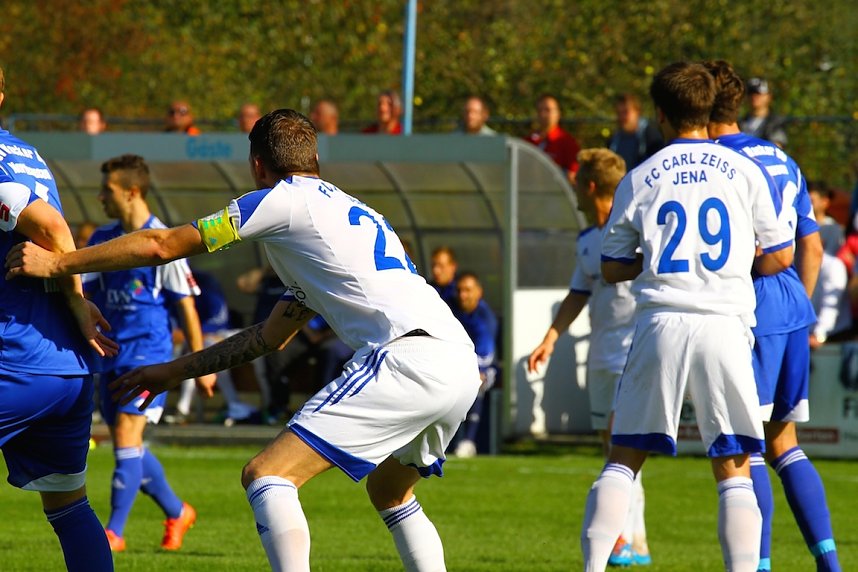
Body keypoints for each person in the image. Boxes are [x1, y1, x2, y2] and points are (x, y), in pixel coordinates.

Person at [8, 108, 480, 572]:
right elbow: (270, 337)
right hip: (458, 362)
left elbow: (161, 244)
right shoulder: (352, 215)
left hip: (405, 358)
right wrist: (175, 370)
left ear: (257, 164)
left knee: (267, 476)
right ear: (314, 157)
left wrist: (58, 264)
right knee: (391, 491)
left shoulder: (282, 200)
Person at [581, 61, 794, 572]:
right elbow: (782, 254)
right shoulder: (745, 171)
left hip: (660, 323)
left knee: (624, 457)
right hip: (725, 325)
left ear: (660, 114)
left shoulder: (640, 176)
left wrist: (647, 261)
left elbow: (611, 266)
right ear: (709, 106)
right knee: (734, 466)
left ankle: (591, 568)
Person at [705, 59, 839, 572]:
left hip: (750, 300)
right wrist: (799, 311)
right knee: (785, 441)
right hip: (791, 304)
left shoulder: (712, 161)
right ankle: (829, 564)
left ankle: (758, 565)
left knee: (744, 444)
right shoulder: (782, 157)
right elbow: (811, 246)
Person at [0, 66, 116, 572]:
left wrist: (75, 301)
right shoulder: (28, 153)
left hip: (15, 361)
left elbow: (50, 227)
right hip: (64, 368)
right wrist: (75, 296)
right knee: (70, 509)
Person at [83, 154, 216, 552]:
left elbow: (186, 308)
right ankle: (177, 511)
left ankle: (113, 533)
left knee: (125, 434)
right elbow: (82, 292)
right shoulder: (101, 239)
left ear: (132, 191)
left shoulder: (163, 240)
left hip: (149, 356)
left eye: (107, 190)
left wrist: (202, 363)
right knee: (130, 447)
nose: (100, 197)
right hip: (109, 355)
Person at [527, 148, 650, 567]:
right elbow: (578, 294)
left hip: (633, 353)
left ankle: (623, 541)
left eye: (577, 181)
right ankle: (636, 538)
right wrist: (550, 337)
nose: (574, 189)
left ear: (591, 186)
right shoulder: (586, 241)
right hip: (600, 355)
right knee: (611, 448)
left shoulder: (637, 230)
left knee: (622, 444)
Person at [172, 269, 260, 425]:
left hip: (223, 335)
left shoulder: (206, 284)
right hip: (187, 346)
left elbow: (216, 323)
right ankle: (184, 407)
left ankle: (234, 403)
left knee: (212, 349)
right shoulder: (172, 288)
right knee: (199, 351)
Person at [451, 272, 497, 458]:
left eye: (468, 290)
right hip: (456, 366)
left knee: (476, 381)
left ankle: (468, 441)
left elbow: (486, 356)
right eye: (460, 290)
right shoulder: (453, 312)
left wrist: (462, 368)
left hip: (486, 369)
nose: (463, 295)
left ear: (479, 292)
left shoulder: (485, 317)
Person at [525, 94, 581, 183]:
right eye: (540, 110)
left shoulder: (567, 142)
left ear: (558, 114)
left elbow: (573, 175)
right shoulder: (528, 141)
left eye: (548, 110)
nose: (543, 114)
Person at [606, 94, 663, 169]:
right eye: (618, 113)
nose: (622, 117)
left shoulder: (652, 139)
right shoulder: (613, 141)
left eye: (625, 112)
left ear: (637, 112)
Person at [811, 253, 850, 347]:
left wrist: (819, 334)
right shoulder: (793, 264)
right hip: (808, 335)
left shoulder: (833, 266)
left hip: (835, 337)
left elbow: (831, 306)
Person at [739, 78, 788, 148]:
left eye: (758, 93)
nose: (754, 97)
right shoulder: (740, 123)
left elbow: (776, 148)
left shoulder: (776, 123)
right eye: (751, 93)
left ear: (769, 96)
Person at [808, 181, 844, 255]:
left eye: (812, 201)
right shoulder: (799, 225)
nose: (807, 205)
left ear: (825, 202)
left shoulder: (832, 229)